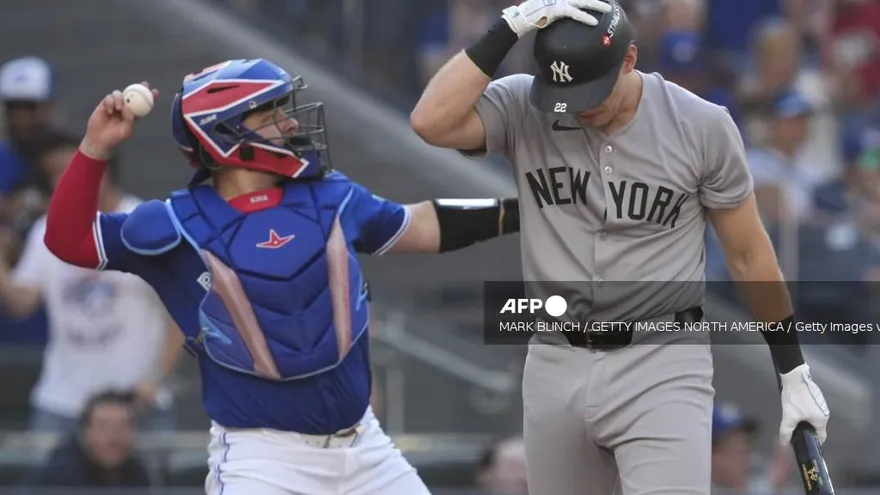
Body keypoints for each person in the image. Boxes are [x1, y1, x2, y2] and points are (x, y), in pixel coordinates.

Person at [42, 58, 520, 495]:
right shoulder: (173, 223)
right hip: (263, 460)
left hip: (365, 448)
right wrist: (94, 148)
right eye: (270, 113)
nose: (290, 122)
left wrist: (524, 209)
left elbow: (422, 225)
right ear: (224, 134)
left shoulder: (327, 196)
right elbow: (68, 240)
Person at [410, 1, 830, 494]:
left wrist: (792, 370)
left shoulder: (700, 124)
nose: (579, 105)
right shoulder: (528, 105)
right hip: (555, 357)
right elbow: (429, 121)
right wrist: (505, 30)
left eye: (590, 90)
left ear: (629, 59)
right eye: (565, 91)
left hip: (662, 359)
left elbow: (748, 254)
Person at [0, 131, 182, 435]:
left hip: (138, 402)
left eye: (68, 170)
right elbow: (21, 304)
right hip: (62, 401)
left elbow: (180, 312)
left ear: (103, 168)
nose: (60, 181)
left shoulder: (146, 223)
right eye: (53, 174)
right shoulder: (45, 229)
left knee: (152, 483)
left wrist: (156, 378)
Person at [28, 391, 151, 487]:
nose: (114, 437)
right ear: (86, 431)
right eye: (103, 427)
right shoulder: (58, 477)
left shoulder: (139, 473)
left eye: (123, 426)